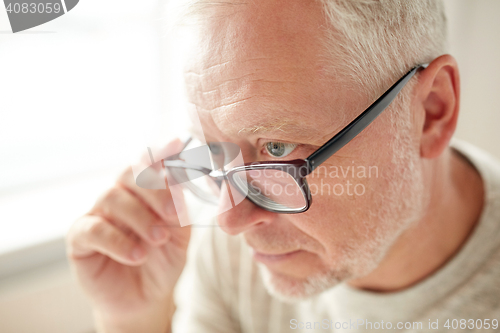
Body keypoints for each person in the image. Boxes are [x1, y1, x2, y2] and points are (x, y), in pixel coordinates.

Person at [66, 0, 500, 332]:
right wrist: (134, 319)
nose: (230, 220)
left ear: (431, 112)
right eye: (213, 149)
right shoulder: (238, 258)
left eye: (275, 147)